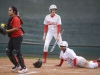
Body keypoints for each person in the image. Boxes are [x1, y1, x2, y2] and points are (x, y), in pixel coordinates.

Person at [5, 6, 28, 73]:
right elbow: (11, 26)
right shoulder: (11, 18)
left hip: (17, 37)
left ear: (14, 11)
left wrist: (6, 31)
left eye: (10, 10)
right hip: (13, 37)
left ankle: (24, 68)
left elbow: (16, 28)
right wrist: (5, 26)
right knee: (8, 51)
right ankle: (17, 65)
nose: (8, 11)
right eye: (8, 10)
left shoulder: (15, 18)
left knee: (17, 52)